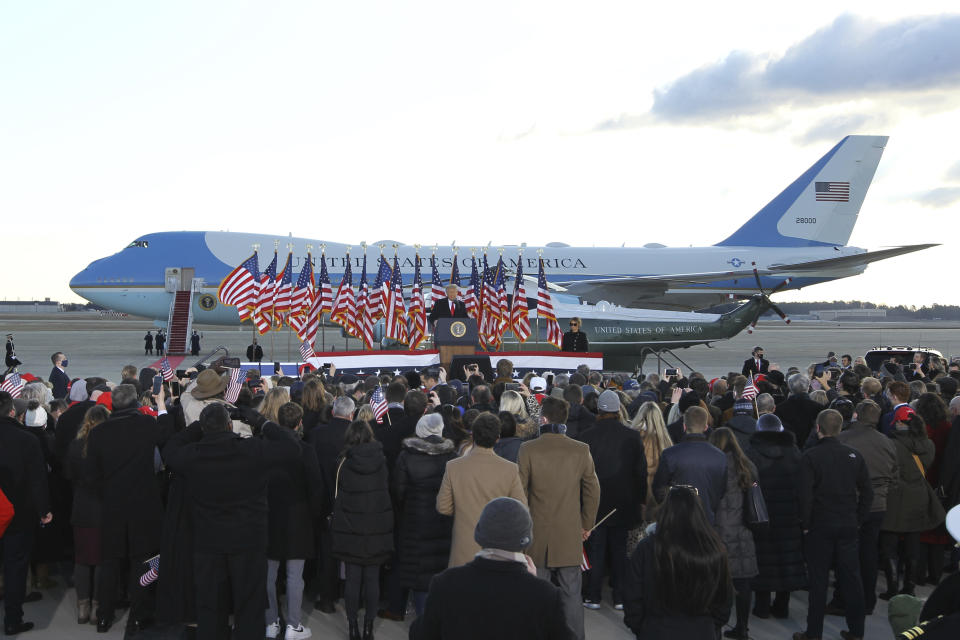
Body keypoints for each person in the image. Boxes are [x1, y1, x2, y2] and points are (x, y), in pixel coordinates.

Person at [162, 403, 300, 640]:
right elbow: (291, 447)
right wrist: (260, 421)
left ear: (205, 429)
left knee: (209, 607)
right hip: (248, 541)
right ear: (230, 425)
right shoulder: (251, 450)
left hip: (208, 543)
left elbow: (170, 448)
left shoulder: (193, 454)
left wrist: (199, 426)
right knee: (249, 607)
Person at [410, 497, 575, 640]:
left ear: (479, 533)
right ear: (526, 538)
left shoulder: (445, 584)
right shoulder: (546, 594)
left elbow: (420, 634)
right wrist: (533, 582)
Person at [84, 383, 173, 634]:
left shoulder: (99, 433)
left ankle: (103, 616)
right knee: (142, 561)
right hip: (144, 505)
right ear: (135, 403)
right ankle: (139, 615)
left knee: (110, 562)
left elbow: (91, 476)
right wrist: (162, 404)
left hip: (112, 506)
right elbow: (166, 434)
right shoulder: (146, 425)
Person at [518, 396, 601, 639]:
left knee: (536, 593)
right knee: (571, 595)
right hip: (569, 533)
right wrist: (587, 524)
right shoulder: (580, 449)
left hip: (536, 534)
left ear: (543, 419)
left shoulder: (527, 449)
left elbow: (519, 492)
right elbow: (592, 489)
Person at [795, 409, 873, 640]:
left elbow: (805, 496)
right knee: (852, 578)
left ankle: (814, 632)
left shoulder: (810, 457)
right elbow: (868, 493)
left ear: (818, 428)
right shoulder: (854, 456)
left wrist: (806, 523)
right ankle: (857, 631)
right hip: (847, 524)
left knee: (818, 582)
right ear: (839, 429)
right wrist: (858, 519)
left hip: (820, 525)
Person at [622, 485, 733, 640]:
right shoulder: (714, 550)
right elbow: (724, 601)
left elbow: (632, 595)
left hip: (657, 630)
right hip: (701, 631)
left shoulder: (648, 548)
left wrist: (641, 628)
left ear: (665, 512)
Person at [578, 390, 647, 610]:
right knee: (619, 550)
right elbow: (641, 472)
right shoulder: (632, 436)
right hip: (623, 504)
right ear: (618, 410)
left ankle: (593, 596)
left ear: (599, 410)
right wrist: (641, 499)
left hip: (595, 503)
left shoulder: (586, 437)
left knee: (596, 549)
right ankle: (619, 597)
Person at [330, 420, 394, 640]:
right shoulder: (381, 461)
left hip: (350, 529)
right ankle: (368, 627)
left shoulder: (343, 462)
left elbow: (336, 496)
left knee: (353, 580)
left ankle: (352, 627)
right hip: (376, 527)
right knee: (372, 580)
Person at [265, 403, 323, 640]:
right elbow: (316, 488)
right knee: (294, 575)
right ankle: (293, 625)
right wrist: (315, 517)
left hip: (269, 518)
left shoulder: (266, 448)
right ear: (299, 423)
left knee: (268, 575)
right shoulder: (306, 450)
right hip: (298, 520)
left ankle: (270, 623)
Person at [436, 413, 526, 567]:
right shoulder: (510, 469)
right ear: (497, 438)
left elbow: (443, 507)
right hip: (499, 550)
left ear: (473, 435)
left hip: (464, 549)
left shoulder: (454, 467)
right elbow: (520, 509)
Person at [835, 400, 898, 614]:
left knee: (846, 555)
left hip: (850, 506)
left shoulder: (842, 439)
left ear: (856, 415)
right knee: (869, 553)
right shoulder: (887, 442)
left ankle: (845, 600)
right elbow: (895, 475)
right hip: (878, 506)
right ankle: (867, 600)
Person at [393, 413, 457, 618]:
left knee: (419, 575)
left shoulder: (407, 456)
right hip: (444, 521)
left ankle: (423, 623)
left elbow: (398, 491)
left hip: (415, 522)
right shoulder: (452, 457)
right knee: (439, 569)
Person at [0, 390, 52, 635]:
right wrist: (44, 510)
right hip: (19, 515)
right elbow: (37, 481)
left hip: (13, 513)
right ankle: (12, 619)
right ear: (12, 412)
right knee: (15, 568)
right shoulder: (27, 440)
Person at [744, 412, 806, 620]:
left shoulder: (752, 453)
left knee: (763, 560)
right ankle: (782, 606)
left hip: (761, 515)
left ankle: (762, 607)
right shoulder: (794, 452)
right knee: (786, 560)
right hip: (789, 515)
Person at [879, 406, 944, 599]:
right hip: (919, 497)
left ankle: (892, 588)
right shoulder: (928, 445)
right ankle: (909, 586)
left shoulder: (891, 445)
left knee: (888, 544)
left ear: (899, 423)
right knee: (913, 545)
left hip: (895, 497)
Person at [707, 427, 759, 640]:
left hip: (718, 530)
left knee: (718, 584)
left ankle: (716, 627)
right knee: (743, 584)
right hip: (742, 531)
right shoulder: (747, 466)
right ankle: (743, 627)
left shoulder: (713, 466)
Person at [64, 404, 110, 625]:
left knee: (82, 560)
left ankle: (82, 605)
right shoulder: (109, 447)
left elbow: (68, 475)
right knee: (101, 560)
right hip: (103, 509)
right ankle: (97, 606)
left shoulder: (75, 446)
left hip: (81, 508)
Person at [309, 396, 356, 613]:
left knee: (326, 552)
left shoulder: (318, 434)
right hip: (350, 502)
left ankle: (327, 598)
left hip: (323, 501)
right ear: (351, 414)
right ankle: (354, 598)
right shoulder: (356, 435)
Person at [652, 405, 727, 524]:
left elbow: (658, 489)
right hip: (707, 520)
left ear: (684, 426)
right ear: (706, 426)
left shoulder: (670, 454)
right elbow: (721, 492)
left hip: (677, 520)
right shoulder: (720, 457)